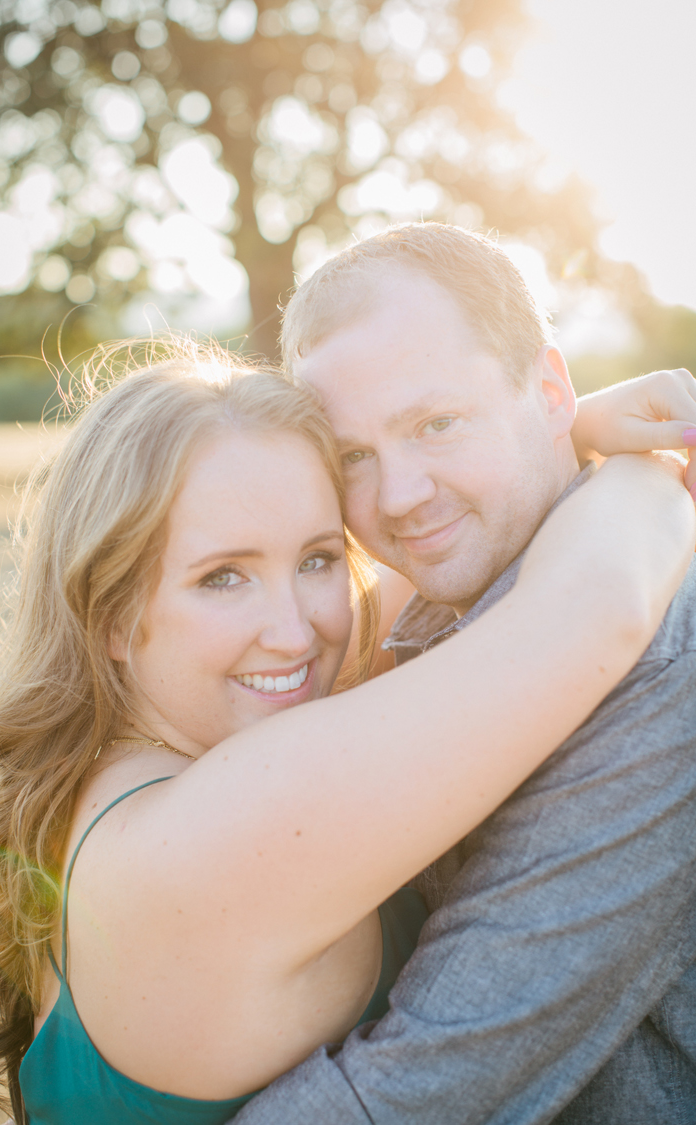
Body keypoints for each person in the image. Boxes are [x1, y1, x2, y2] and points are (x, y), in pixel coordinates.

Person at [0, 340, 696, 1123]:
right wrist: (653, 461)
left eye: (315, 558)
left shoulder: (147, 764)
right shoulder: (210, 839)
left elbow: (442, 546)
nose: (296, 631)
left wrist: (557, 433)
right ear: (112, 616)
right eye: (222, 577)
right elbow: (595, 606)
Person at [230, 226, 696, 1124]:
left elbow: (425, 1087)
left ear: (550, 389)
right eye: (354, 456)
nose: (399, 495)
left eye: (435, 423)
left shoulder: (655, 663)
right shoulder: (435, 612)